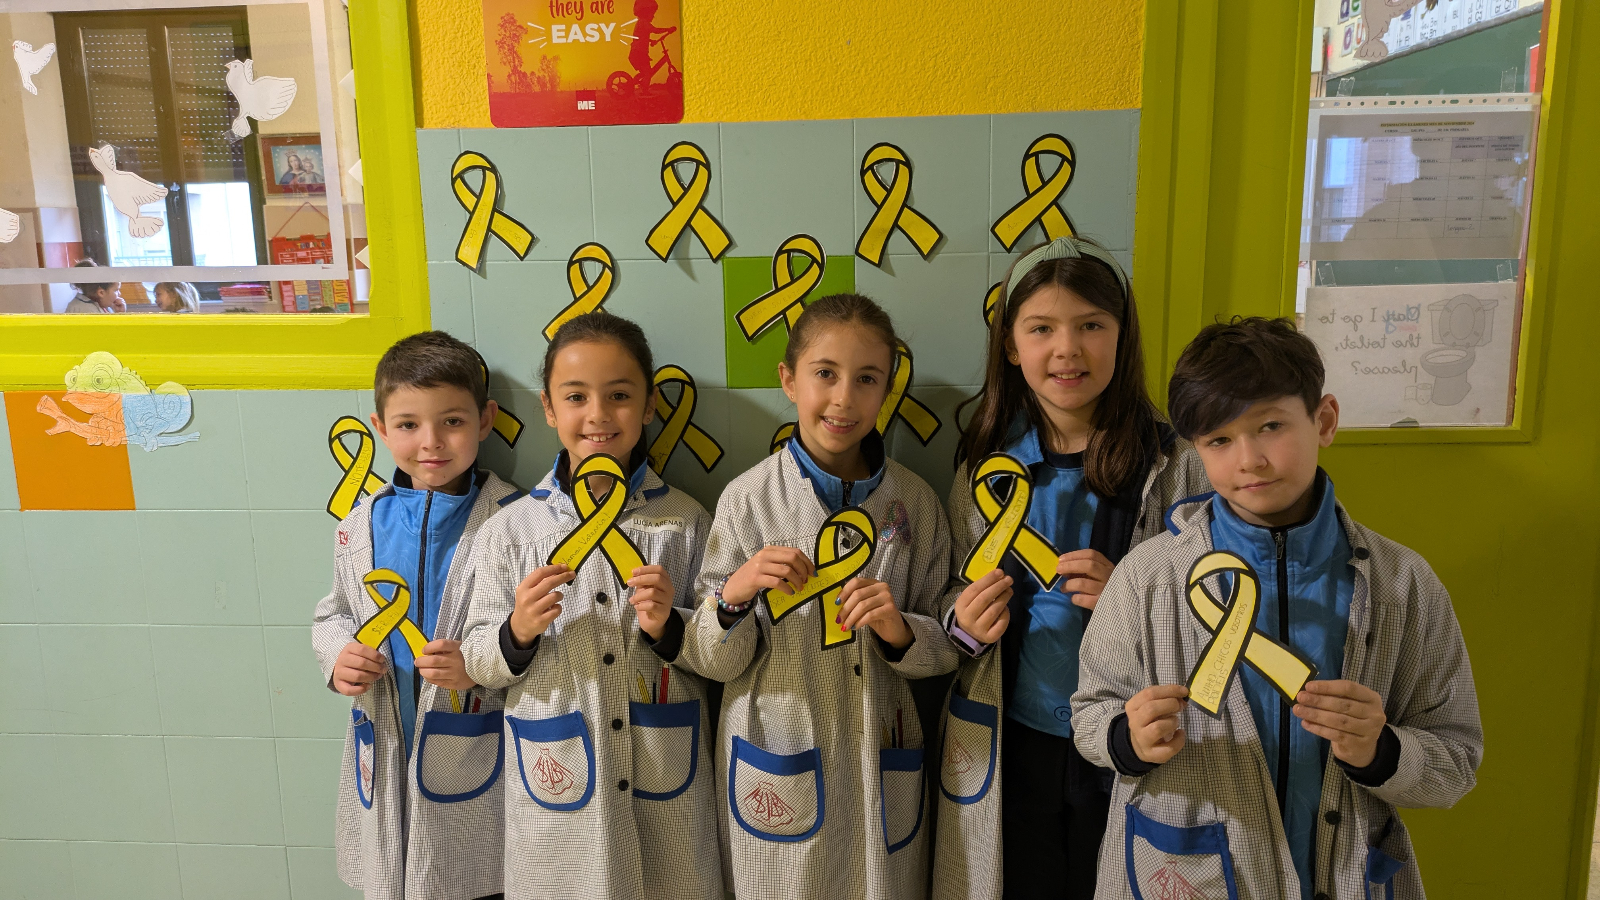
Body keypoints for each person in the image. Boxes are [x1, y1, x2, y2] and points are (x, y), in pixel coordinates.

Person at [1071, 317, 1482, 900]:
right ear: (1196, 450)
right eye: (1219, 440)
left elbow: (1457, 759)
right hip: (1183, 868)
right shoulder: (1146, 578)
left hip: (1342, 873)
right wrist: (1125, 741)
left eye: (1270, 426)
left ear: (1325, 420)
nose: (1250, 460)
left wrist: (1381, 750)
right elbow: (1088, 715)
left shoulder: (1401, 584)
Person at [931, 237, 1210, 900]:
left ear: (1123, 336)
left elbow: (1216, 611)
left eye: (1091, 326)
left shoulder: (1176, 464)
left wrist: (1130, 598)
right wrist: (961, 619)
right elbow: (948, 593)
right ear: (1010, 345)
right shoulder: (986, 469)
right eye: (1042, 329)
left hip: (1126, 739)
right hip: (1015, 738)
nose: (1067, 350)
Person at [662, 293, 959, 900]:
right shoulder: (748, 501)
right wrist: (736, 595)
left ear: (887, 389)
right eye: (825, 374)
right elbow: (712, 660)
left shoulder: (915, 504)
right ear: (789, 380)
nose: (844, 398)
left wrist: (901, 631)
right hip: (777, 755)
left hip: (884, 757)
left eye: (867, 379)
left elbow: (947, 645)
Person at [459, 312, 720, 900]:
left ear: (650, 405)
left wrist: (671, 627)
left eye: (620, 395)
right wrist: (516, 632)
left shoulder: (685, 522)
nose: (598, 415)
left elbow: (722, 652)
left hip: (664, 775)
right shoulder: (511, 530)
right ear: (549, 410)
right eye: (575, 397)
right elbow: (476, 658)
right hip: (555, 788)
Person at [311, 330, 519, 900]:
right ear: (380, 427)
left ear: (485, 420)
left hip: (475, 738)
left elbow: (532, 635)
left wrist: (477, 663)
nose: (431, 442)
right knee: (393, 876)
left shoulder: (515, 521)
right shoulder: (360, 525)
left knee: (475, 877)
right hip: (384, 739)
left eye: (452, 421)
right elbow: (332, 613)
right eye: (407, 425)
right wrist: (338, 657)